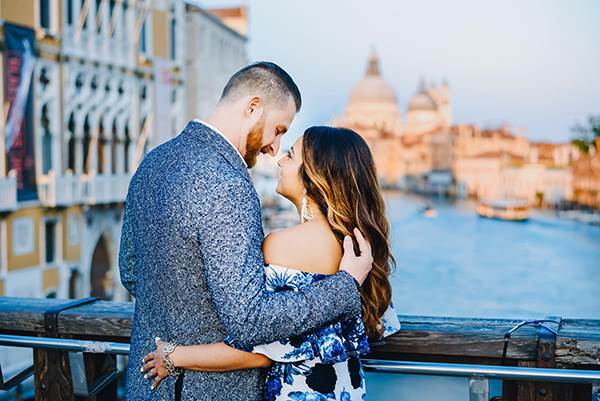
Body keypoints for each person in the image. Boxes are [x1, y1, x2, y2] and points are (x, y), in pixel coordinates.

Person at [119, 63, 373, 401]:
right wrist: (344, 286)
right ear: (253, 108)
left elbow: (131, 271)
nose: (274, 147)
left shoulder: (153, 162)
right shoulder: (229, 184)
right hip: (209, 390)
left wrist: (176, 326)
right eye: (278, 129)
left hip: (146, 386)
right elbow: (249, 320)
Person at [142, 126, 400, 400]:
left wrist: (174, 356)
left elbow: (259, 352)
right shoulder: (361, 246)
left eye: (290, 155)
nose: (279, 160)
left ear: (314, 175)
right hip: (348, 390)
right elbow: (379, 326)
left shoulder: (283, 245)